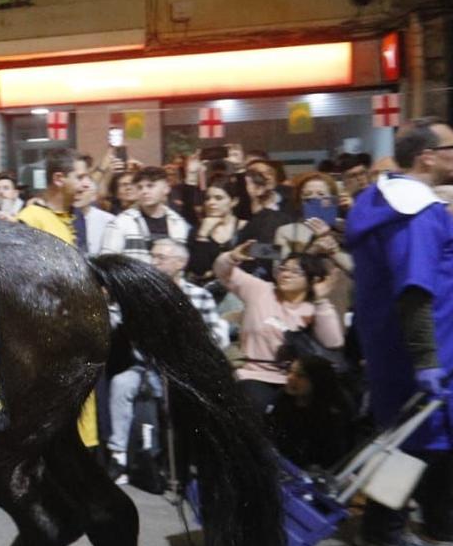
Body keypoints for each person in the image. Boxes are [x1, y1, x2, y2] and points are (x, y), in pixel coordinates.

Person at [344, 118, 453, 546]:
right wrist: (426, 360)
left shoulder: (407, 203)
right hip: (425, 349)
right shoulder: (410, 210)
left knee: (445, 435)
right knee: (412, 439)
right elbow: (414, 289)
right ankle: (382, 526)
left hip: (449, 344)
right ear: (427, 156)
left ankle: (442, 518)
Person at [108, 239, 228, 478]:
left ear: (180, 263)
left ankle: (190, 460)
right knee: (121, 384)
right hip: (147, 366)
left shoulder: (198, 296)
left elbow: (216, 338)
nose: (154, 262)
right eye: (153, 256)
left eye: (160, 257)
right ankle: (118, 455)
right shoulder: (142, 294)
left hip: (185, 370)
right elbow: (117, 323)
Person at [215, 241, 344, 418]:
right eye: (283, 268)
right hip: (254, 375)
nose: (286, 275)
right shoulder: (261, 291)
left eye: (295, 272)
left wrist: (321, 301)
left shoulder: (315, 307)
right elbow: (223, 272)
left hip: (298, 380)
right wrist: (232, 257)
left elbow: (333, 341)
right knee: (260, 410)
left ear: (312, 279)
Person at [102, 171, 192, 261]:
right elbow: (107, 262)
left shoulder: (179, 224)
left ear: (166, 189)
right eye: (140, 187)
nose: (144, 191)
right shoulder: (121, 223)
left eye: (150, 186)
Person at [186, 181, 241, 284]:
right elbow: (198, 270)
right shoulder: (196, 231)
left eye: (218, 198)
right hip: (206, 290)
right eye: (207, 198)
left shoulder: (244, 228)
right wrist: (203, 234)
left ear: (234, 201)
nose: (211, 203)